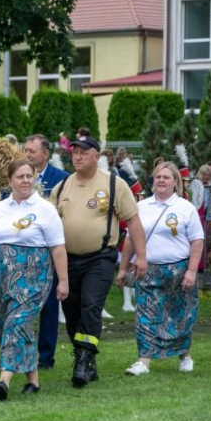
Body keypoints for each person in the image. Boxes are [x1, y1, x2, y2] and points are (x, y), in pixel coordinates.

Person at [50, 135, 146, 388]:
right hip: (67, 260)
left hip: (100, 258)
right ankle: (87, 358)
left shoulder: (115, 184)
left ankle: (82, 360)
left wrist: (142, 257)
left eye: (83, 152)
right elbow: (47, 224)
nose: (77, 156)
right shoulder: (62, 187)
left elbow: (134, 222)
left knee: (90, 306)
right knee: (71, 313)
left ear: (96, 155)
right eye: (74, 152)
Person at [0, 160, 68, 400]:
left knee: (15, 323)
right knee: (7, 324)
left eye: (29, 176)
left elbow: (58, 248)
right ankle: (33, 381)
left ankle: (4, 380)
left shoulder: (45, 209)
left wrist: (63, 281)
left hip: (33, 278)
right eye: (20, 176)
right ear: (9, 181)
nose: (26, 180)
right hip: (1, 279)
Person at [118, 163, 204, 376]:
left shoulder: (186, 208)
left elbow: (197, 241)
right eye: (158, 177)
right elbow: (129, 239)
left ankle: (184, 355)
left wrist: (192, 271)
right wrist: (122, 268)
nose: (161, 180)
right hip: (146, 270)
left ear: (175, 181)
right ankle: (143, 362)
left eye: (166, 177)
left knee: (179, 315)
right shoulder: (141, 207)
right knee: (145, 315)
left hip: (179, 270)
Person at [25, 134, 69, 369]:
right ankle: (17, 351)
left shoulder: (61, 180)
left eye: (32, 151)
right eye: (26, 150)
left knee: (50, 306)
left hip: (49, 250)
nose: (28, 155)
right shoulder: (17, 176)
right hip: (22, 251)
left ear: (45, 154)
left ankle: (45, 357)